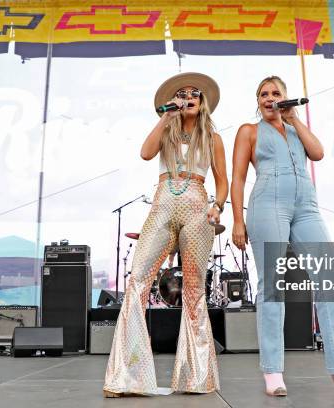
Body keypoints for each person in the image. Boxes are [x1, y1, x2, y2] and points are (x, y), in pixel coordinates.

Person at [230, 76, 334, 397]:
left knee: (330, 281)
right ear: (257, 100)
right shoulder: (249, 131)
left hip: (306, 204)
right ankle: (273, 371)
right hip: (267, 203)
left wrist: (294, 119)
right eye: (264, 94)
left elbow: (317, 153)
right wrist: (236, 220)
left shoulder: (294, 129)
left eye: (276, 93)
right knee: (273, 285)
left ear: (286, 98)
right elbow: (237, 178)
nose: (270, 98)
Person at [103, 72, 228, 397]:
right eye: (182, 94)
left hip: (198, 207)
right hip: (163, 203)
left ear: (202, 104)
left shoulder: (212, 138)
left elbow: (223, 180)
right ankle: (126, 377)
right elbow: (145, 153)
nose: (187, 98)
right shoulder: (167, 132)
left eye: (194, 94)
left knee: (194, 291)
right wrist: (166, 116)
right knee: (138, 281)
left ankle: (197, 377)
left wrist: (219, 206)